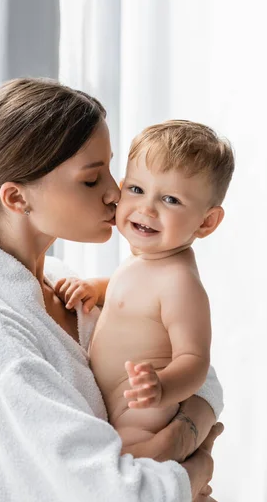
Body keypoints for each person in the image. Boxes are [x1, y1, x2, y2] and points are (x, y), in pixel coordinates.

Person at [0, 78, 224, 502]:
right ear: (17, 198)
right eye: (92, 180)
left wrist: (183, 432)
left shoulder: (64, 282)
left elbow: (197, 370)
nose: (116, 194)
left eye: (112, 169)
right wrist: (191, 468)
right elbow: (110, 493)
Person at [55, 120, 234, 449]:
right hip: (116, 399)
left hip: (141, 409)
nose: (147, 208)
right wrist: (96, 289)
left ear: (206, 222)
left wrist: (162, 387)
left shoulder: (180, 282)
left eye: (171, 200)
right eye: (136, 190)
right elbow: (131, 295)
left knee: (138, 468)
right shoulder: (146, 262)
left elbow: (194, 359)